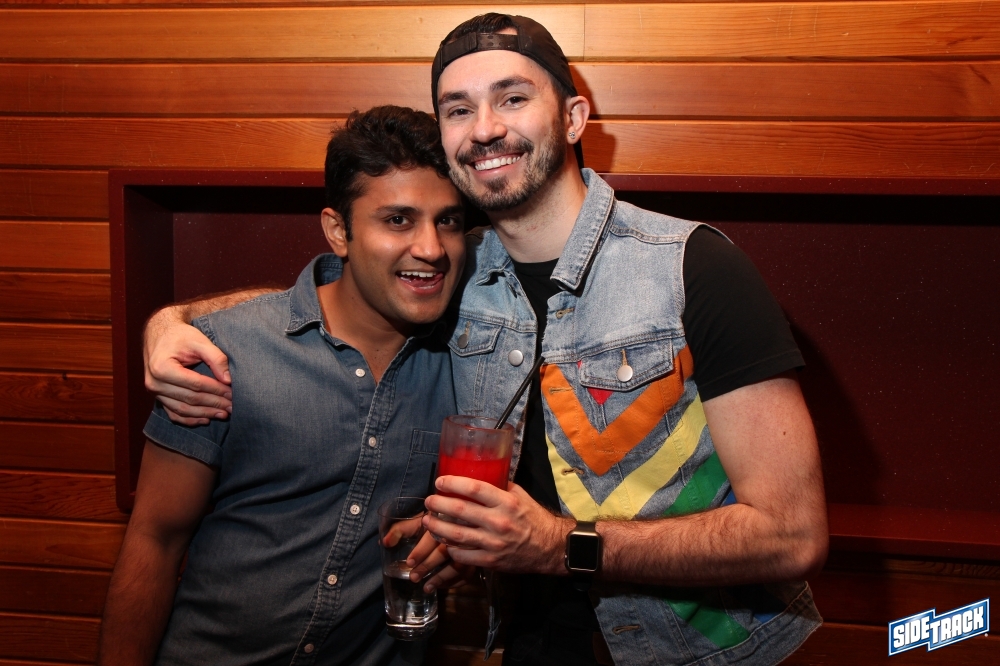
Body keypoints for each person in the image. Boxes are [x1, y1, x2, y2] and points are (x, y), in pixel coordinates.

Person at [143, 14, 829, 666]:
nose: (485, 128)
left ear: (573, 118)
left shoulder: (692, 266)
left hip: (704, 650)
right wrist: (177, 319)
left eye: (512, 98)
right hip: (531, 645)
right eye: (458, 109)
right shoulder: (455, 271)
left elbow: (792, 536)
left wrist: (559, 546)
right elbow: (341, 293)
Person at [98, 106, 470, 666]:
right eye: (398, 220)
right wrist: (170, 319)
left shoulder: (469, 362)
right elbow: (155, 540)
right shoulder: (224, 352)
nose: (432, 248)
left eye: (449, 221)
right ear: (338, 231)